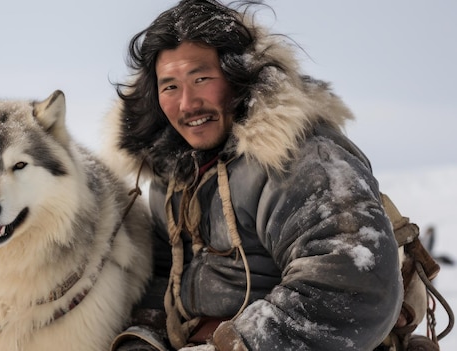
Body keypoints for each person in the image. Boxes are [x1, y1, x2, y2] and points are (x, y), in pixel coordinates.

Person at [101, 1, 403, 350]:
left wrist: (232, 345)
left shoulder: (302, 160)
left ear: (238, 76)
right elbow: (159, 277)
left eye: (201, 78)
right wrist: (142, 339)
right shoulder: (169, 174)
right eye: (170, 87)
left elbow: (354, 284)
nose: (187, 103)